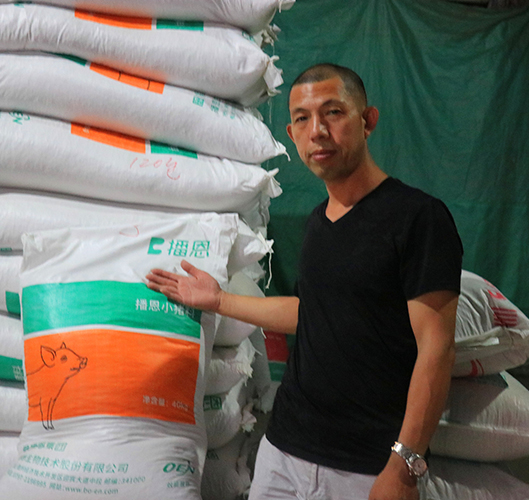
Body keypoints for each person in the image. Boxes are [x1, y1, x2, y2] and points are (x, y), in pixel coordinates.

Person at [146, 63, 463, 500]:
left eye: (333, 112)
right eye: (302, 118)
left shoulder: (418, 218)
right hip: (284, 450)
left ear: (368, 120)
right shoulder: (319, 222)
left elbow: (437, 348)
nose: (317, 131)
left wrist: (404, 467)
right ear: (291, 135)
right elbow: (312, 312)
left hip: (365, 465)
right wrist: (218, 300)